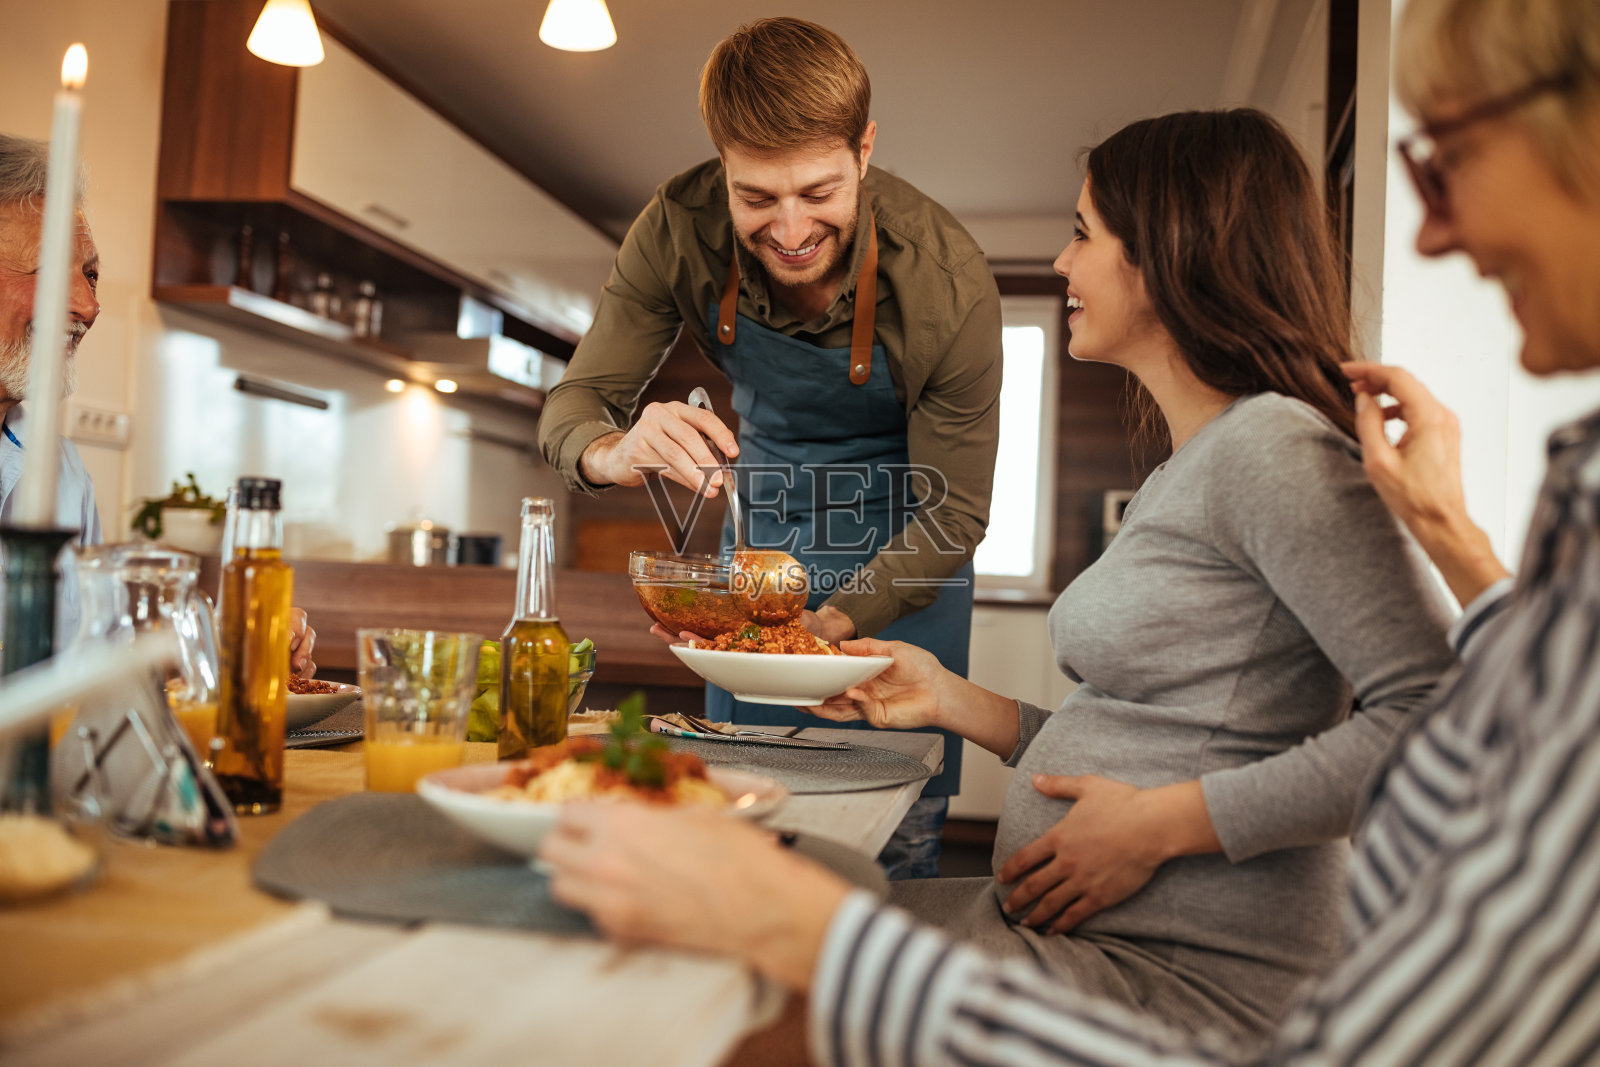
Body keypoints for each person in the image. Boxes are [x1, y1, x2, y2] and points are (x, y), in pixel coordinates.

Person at [547, 0, 1600, 1061]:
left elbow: (1426, 716)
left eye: (1084, 232)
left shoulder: (1267, 449)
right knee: (717, 927)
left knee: (710, 976)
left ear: (1171, 256)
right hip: (1083, 929)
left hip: (1168, 968)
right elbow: (1153, 738)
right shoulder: (1190, 469)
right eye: (756, 197)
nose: (1058, 261)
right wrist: (954, 699)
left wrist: (1161, 824)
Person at [537, 18, 1003, 876]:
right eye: (756, 198)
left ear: (865, 149)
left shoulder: (946, 281)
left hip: (909, 557)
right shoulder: (676, 231)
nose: (790, 230)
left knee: (890, 843)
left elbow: (957, 512)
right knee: (740, 823)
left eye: (819, 192)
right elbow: (576, 402)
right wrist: (615, 448)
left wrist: (824, 630)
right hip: (759, 551)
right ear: (722, 165)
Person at [0, 132, 316, 673]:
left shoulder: (62, 468)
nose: (89, 306)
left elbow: (96, 668)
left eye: (91, 276)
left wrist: (225, 648)